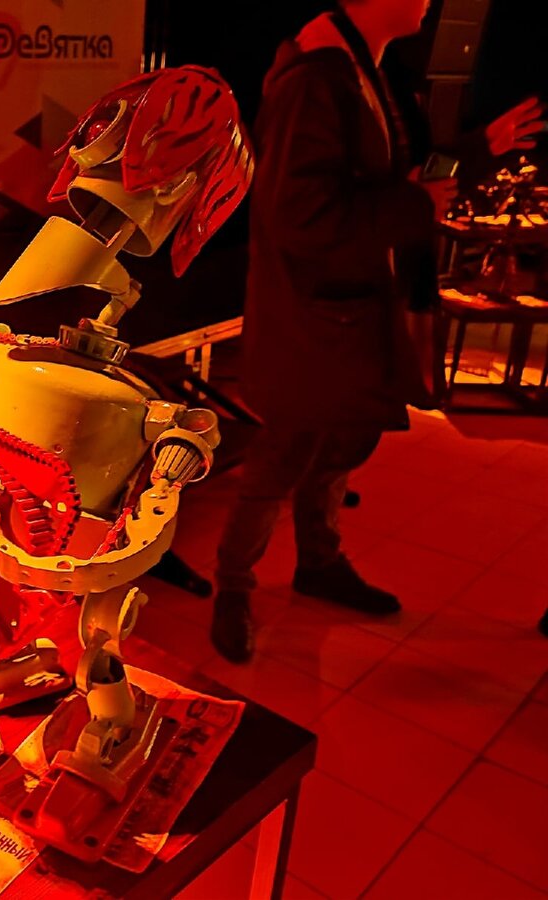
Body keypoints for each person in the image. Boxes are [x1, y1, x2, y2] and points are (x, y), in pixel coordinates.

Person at [210, 0, 459, 663]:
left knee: (343, 436)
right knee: (286, 452)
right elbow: (300, 216)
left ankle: (318, 561)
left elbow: (365, 181)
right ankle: (232, 587)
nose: (429, 2)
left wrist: (476, 152)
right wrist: (412, 204)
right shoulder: (316, 80)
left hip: (345, 309)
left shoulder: (352, 68)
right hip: (311, 317)